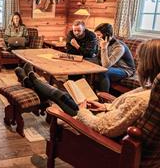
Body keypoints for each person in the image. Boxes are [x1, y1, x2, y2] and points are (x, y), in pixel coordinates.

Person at [15, 38, 159, 137]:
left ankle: (30, 79)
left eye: (139, 60)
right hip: (100, 113)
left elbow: (102, 127)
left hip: (91, 128)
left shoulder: (140, 100)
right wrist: (105, 107)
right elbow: (123, 113)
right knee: (62, 95)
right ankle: (30, 79)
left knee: (57, 95)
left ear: (148, 65)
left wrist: (83, 111)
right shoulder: (150, 91)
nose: (137, 64)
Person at [94, 23, 136, 92]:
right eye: (96, 35)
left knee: (103, 72)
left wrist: (103, 48)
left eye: (98, 35)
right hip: (113, 66)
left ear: (107, 35)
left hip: (125, 70)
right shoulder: (102, 42)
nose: (97, 37)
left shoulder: (119, 47)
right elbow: (97, 57)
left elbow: (105, 65)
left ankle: (104, 98)